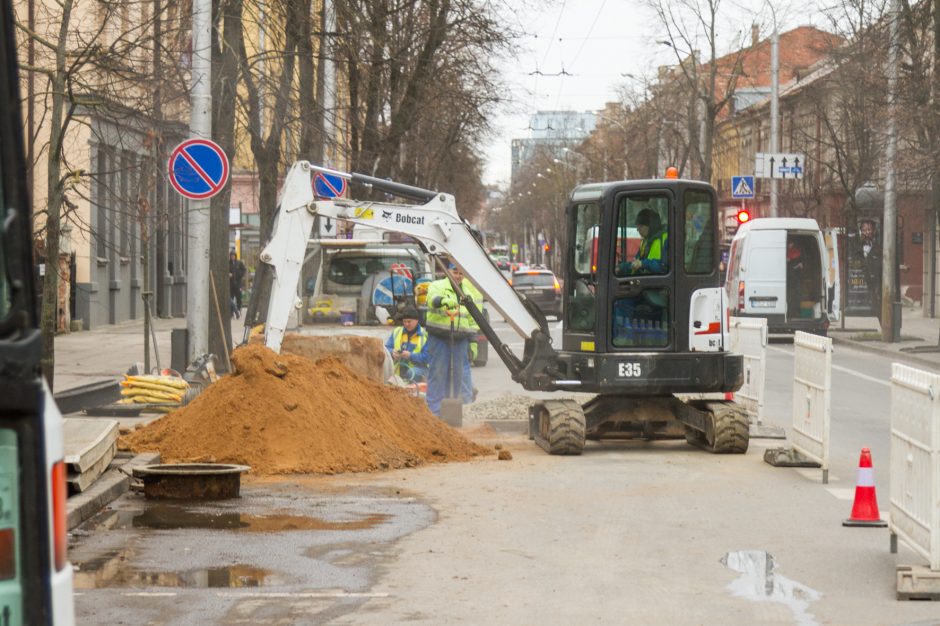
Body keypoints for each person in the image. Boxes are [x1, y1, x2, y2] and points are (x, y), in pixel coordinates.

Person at [424, 261, 483, 416]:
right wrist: (442, 301)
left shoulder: (469, 292)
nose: (458, 276)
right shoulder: (438, 286)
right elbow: (432, 299)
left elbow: (473, 320)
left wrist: (473, 342)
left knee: (460, 374)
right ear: (447, 271)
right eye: (455, 272)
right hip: (439, 336)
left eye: (461, 273)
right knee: (438, 372)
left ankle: (462, 411)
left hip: (461, 338)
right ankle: (435, 412)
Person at [384, 305, 428, 383]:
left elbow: (427, 358)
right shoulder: (397, 332)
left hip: (419, 370)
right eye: (404, 322)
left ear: (416, 320)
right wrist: (392, 352)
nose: (406, 324)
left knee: (411, 373)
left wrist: (410, 356)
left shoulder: (424, 335)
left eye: (409, 321)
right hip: (398, 371)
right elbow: (386, 348)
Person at [619, 208, 668, 276]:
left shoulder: (666, 239)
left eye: (641, 226)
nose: (637, 229)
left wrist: (643, 264)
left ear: (651, 226)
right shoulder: (645, 241)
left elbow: (664, 267)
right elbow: (635, 263)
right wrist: (621, 267)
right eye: (637, 226)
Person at [859, 219, 882, 317]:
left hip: (874, 280)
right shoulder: (857, 245)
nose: (868, 232)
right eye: (865, 230)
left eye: (870, 229)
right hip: (861, 280)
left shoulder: (876, 246)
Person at [229, 250, 247, 319]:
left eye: (233, 256)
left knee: (239, 298)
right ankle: (231, 313)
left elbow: (244, 270)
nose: (232, 257)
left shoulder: (239, 263)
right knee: (230, 299)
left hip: (238, 284)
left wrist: (235, 275)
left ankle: (239, 310)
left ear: (235, 256)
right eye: (231, 256)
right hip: (230, 284)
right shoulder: (228, 263)